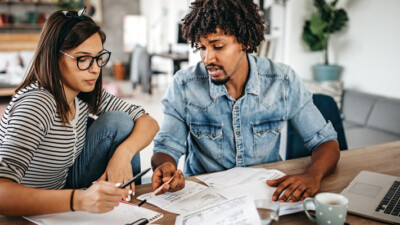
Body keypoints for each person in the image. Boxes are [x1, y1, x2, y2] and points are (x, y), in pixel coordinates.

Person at [151, 0, 340, 203]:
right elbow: (166, 148)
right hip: (205, 199)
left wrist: (313, 175)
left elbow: (325, 142)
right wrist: (166, 167)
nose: (207, 58)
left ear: (245, 42)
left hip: (268, 196)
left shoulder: (282, 81)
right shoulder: (184, 85)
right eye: (202, 48)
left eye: (218, 46)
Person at [0, 8, 159, 216]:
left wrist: (123, 154)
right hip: (28, 211)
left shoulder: (82, 94)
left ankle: (129, 210)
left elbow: (149, 122)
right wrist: (79, 199)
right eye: (83, 59)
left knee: (121, 122)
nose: (95, 69)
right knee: (117, 122)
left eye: (98, 57)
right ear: (54, 56)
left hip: (64, 194)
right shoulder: (37, 103)